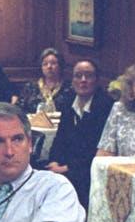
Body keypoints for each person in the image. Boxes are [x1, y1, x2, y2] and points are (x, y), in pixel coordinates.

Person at [45, 59, 115, 207]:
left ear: (97, 80)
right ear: (72, 80)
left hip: (88, 171)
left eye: (88, 76)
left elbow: (96, 149)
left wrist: (66, 169)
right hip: (63, 166)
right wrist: (53, 162)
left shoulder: (106, 105)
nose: (83, 80)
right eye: (78, 76)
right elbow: (60, 138)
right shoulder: (68, 101)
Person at [16, 47, 74, 115]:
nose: (49, 67)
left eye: (53, 63)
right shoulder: (30, 87)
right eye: (45, 64)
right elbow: (19, 110)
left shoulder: (69, 88)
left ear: (60, 65)